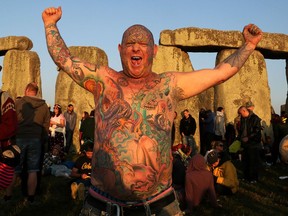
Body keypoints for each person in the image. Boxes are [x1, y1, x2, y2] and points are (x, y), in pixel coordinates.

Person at [42, 6, 262, 215]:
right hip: (102, 204)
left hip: (160, 204)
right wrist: (50, 25)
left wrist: (249, 46)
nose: (136, 47)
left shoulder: (169, 85)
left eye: (142, 43)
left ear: (154, 50)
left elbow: (219, 73)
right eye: (129, 43)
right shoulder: (104, 80)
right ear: (120, 49)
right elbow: (65, 60)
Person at [4, 82, 50, 204]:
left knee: (13, 168)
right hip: (36, 139)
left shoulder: (19, 103)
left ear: (26, 90)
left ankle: (8, 196)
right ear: (36, 92)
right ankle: (31, 198)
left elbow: (13, 121)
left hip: (19, 137)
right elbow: (46, 126)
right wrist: (42, 140)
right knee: (33, 170)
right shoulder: (44, 106)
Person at [238, 106, 262, 183]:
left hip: (253, 143)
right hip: (245, 143)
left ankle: (254, 178)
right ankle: (246, 177)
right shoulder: (243, 118)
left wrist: (248, 137)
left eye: (240, 113)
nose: (240, 115)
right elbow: (242, 129)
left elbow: (257, 130)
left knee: (253, 161)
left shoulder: (255, 118)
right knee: (245, 161)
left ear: (244, 111)